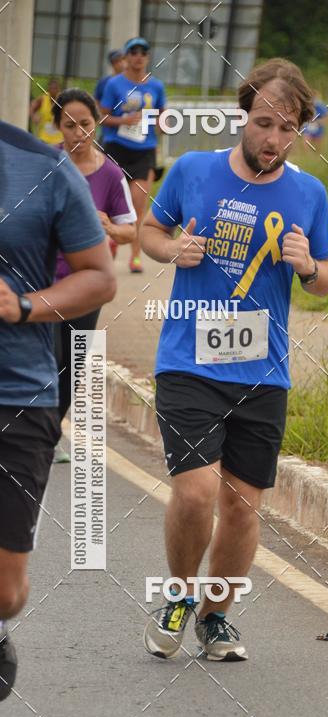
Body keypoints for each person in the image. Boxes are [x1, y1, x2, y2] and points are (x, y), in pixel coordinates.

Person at [140, 58, 328, 662]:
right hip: (188, 361)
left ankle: (216, 617)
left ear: (300, 130)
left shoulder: (308, 193)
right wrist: (174, 248)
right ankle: (178, 592)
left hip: (263, 371)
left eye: (286, 128)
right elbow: (148, 231)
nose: (272, 139)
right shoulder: (194, 170)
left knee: (243, 506)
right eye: (262, 123)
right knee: (197, 493)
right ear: (242, 117)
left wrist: (307, 265)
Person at [0, 119, 116, 700]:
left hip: (18, 395)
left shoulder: (41, 168)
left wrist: (23, 305)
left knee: (5, 592)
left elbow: (99, 277)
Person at [52, 87, 136, 461]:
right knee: (44, 358)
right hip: (42, 282)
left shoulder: (111, 175)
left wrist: (107, 225)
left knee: (72, 362)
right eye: (69, 125)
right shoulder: (45, 165)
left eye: (85, 123)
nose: (78, 132)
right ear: (58, 128)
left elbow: (130, 230)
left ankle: (50, 432)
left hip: (87, 285)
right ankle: (35, 433)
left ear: (96, 124)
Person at [100, 36, 166, 273]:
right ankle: (112, 239)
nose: (138, 56)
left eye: (143, 52)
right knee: (110, 205)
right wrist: (123, 120)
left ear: (147, 58)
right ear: (126, 57)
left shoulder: (156, 86)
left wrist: (162, 123)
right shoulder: (114, 85)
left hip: (144, 152)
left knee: (138, 205)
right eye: (134, 52)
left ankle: (135, 257)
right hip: (117, 148)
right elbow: (102, 117)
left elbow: (162, 115)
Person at [94, 49, 126, 146]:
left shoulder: (131, 82)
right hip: (108, 131)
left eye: (122, 60)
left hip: (128, 130)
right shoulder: (104, 82)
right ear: (113, 64)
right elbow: (96, 103)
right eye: (117, 61)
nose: (121, 63)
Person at [29, 77, 63, 145]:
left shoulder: (63, 99)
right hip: (44, 137)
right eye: (51, 88)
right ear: (48, 89)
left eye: (55, 88)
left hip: (59, 138)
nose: (53, 91)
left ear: (59, 89)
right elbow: (31, 107)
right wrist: (34, 116)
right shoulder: (43, 98)